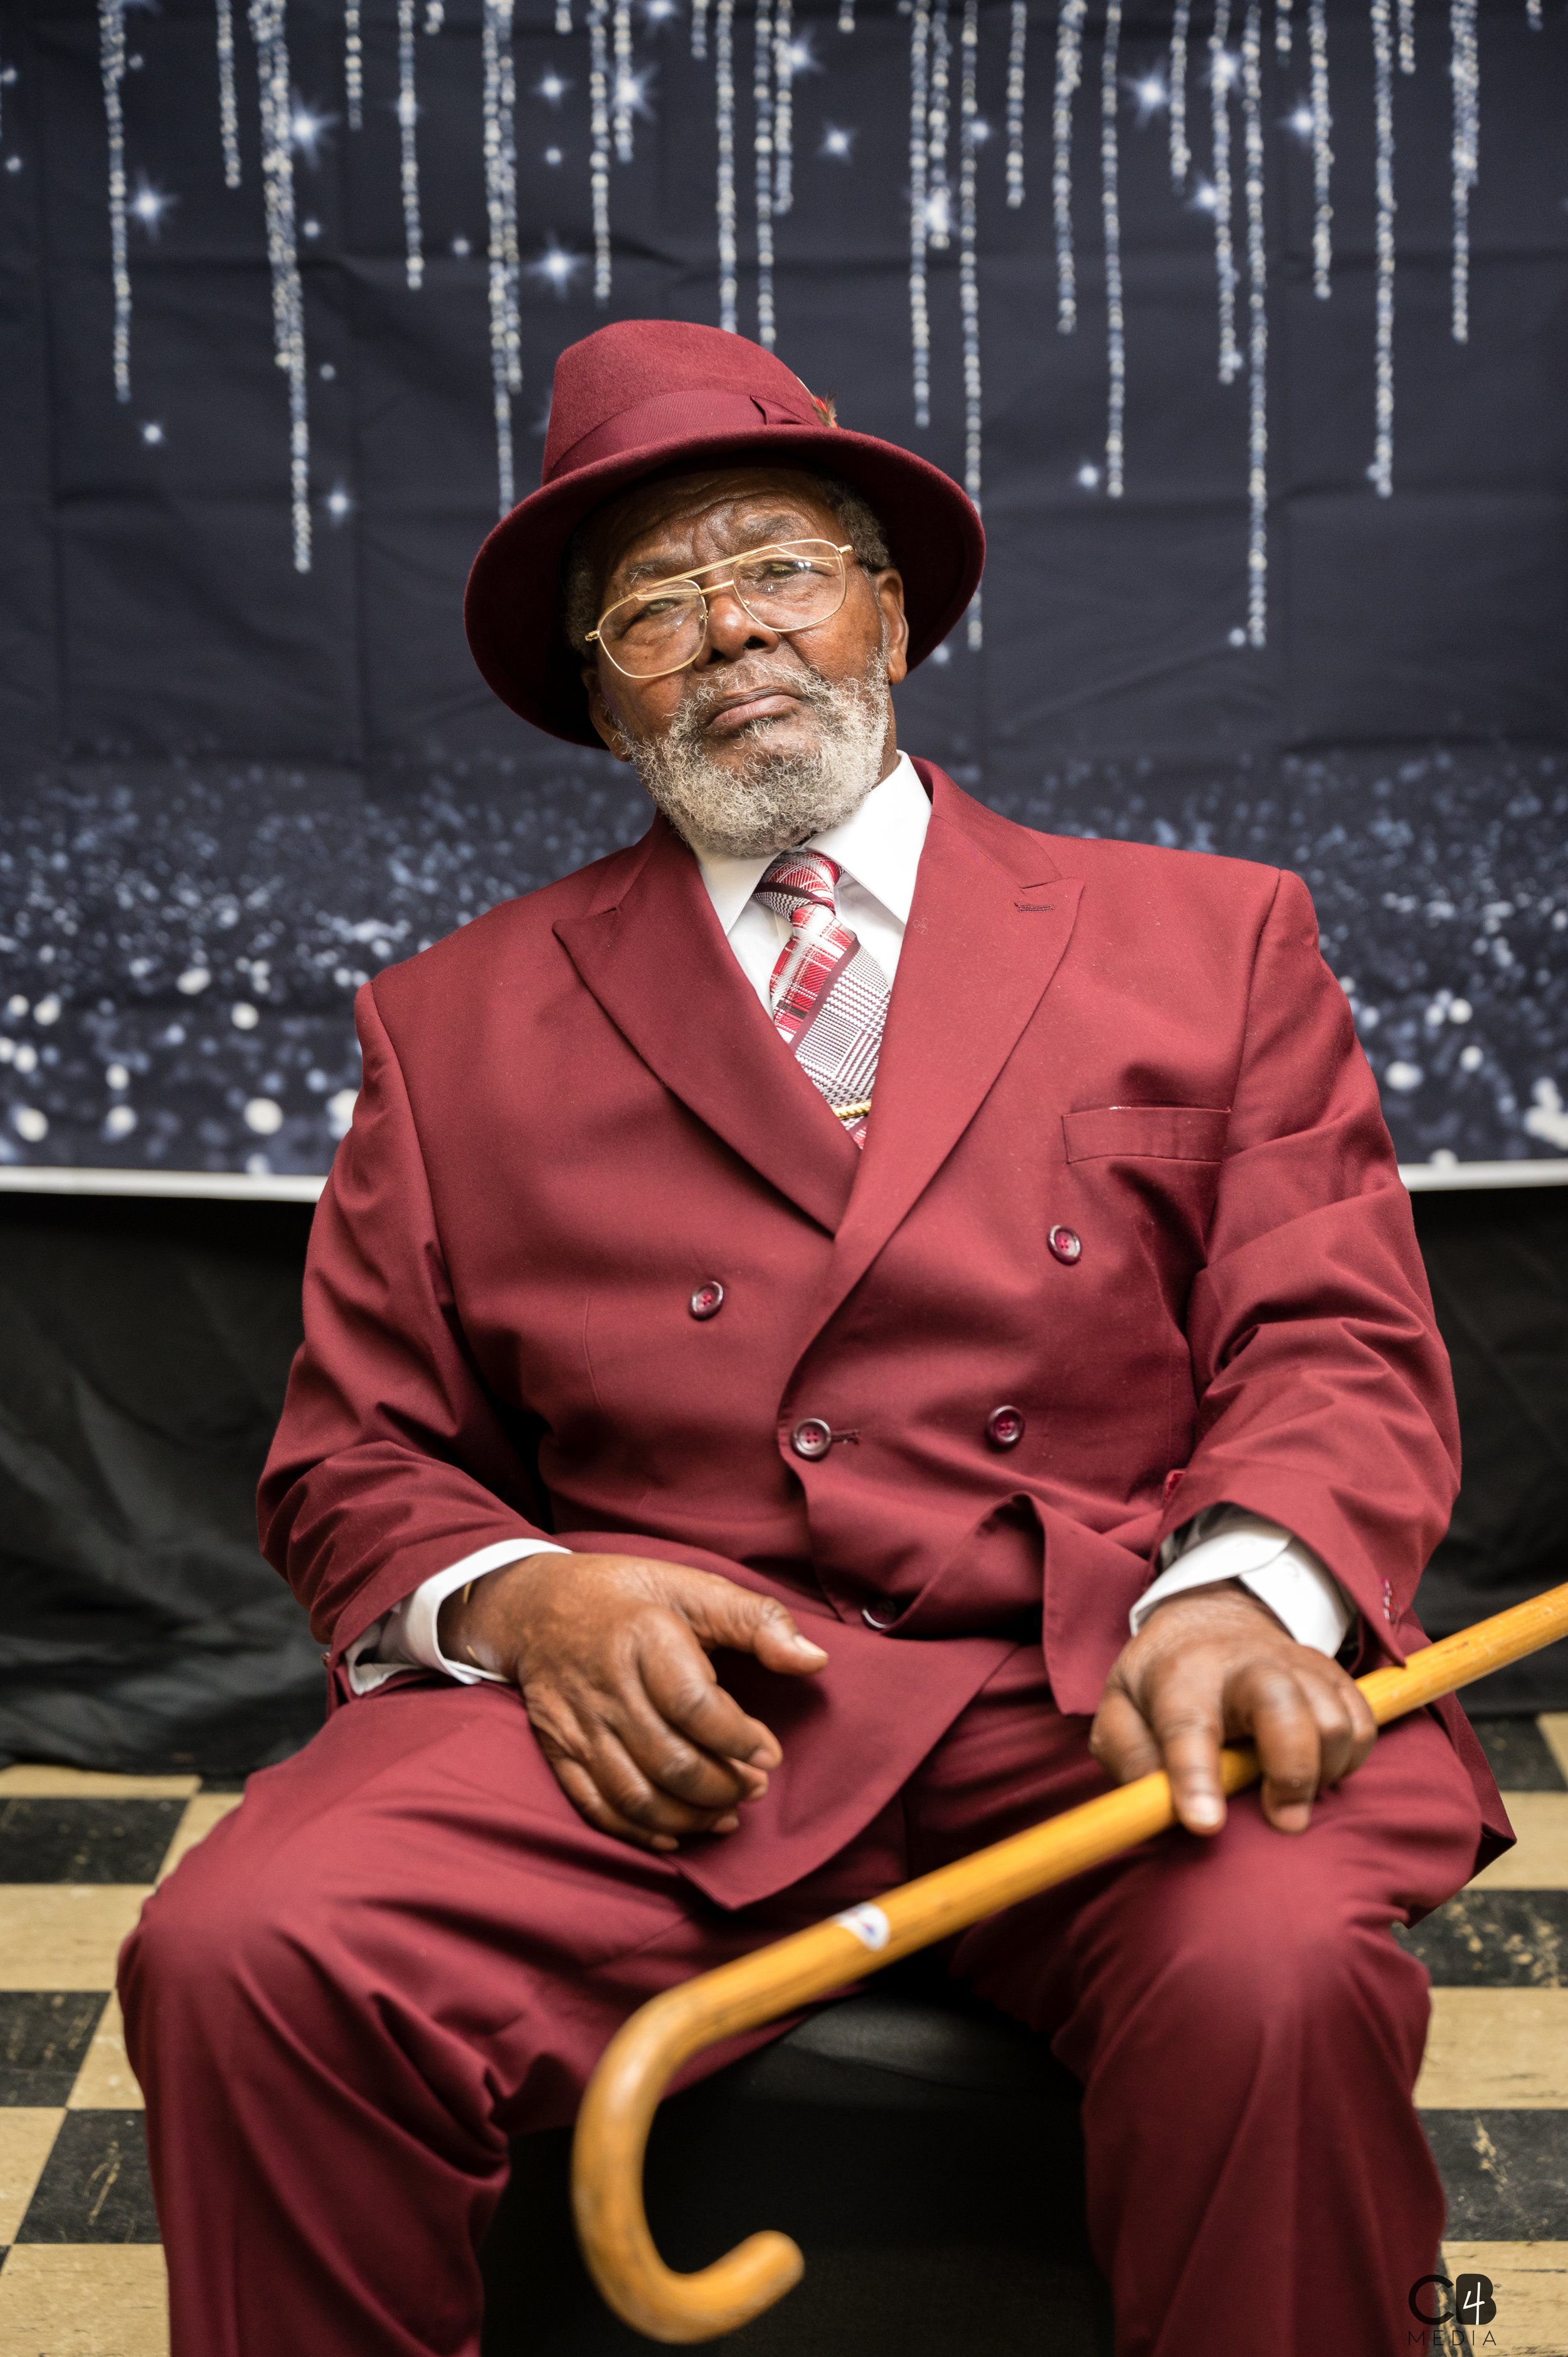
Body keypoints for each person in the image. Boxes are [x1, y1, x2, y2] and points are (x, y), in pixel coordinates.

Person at [120, 318, 1509, 2357]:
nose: (733, 634)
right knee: (242, 1943)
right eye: (655, 612)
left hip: (1098, 1687)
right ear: (602, 703)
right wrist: (531, 1606)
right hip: (654, 1733)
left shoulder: (1211, 935)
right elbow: (356, 1459)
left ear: (888, 613)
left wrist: (1242, 1602)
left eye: (776, 564)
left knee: (1273, 1976)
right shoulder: (448, 1023)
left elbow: (1332, 1338)